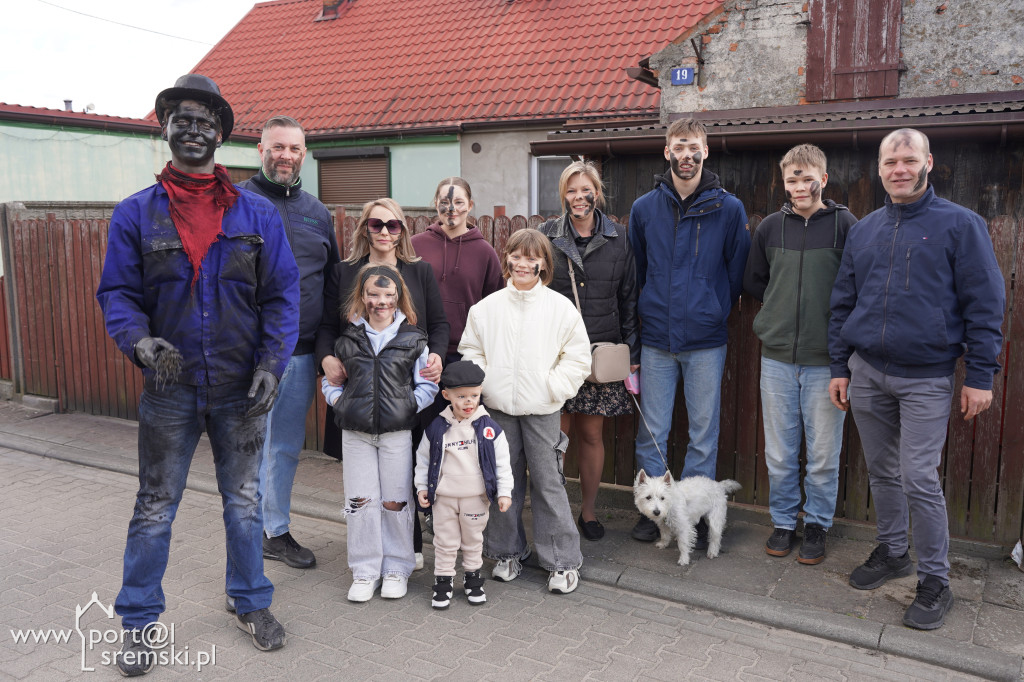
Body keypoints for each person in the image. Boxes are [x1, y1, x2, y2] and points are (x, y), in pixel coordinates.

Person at [96, 74, 299, 675]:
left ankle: (250, 600)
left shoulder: (256, 213)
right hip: (170, 390)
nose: (193, 129)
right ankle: (137, 622)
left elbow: (283, 298)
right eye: (181, 119)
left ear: (220, 134)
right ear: (166, 128)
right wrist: (138, 341)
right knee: (155, 504)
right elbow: (118, 292)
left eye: (204, 121)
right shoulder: (136, 213)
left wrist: (271, 363)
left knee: (243, 500)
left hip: (241, 388)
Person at [828, 128, 1005, 630]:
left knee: (919, 479)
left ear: (928, 161)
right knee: (882, 472)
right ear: (879, 168)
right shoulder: (864, 230)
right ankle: (892, 552)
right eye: (890, 161)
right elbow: (843, 303)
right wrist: (841, 367)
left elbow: (986, 305)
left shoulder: (960, 225)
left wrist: (981, 376)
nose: (899, 169)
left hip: (927, 378)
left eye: (908, 159)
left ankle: (935, 581)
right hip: (867, 372)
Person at [627, 118, 751, 545]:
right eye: (679, 146)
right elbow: (637, 273)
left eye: (694, 146)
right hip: (658, 339)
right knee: (652, 433)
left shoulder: (728, 209)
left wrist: (711, 307)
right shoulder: (645, 209)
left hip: (705, 341)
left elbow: (735, 276)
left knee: (703, 432)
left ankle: (693, 516)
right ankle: (652, 513)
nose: (686, 154)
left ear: (705, 151)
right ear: (667, 152)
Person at [314, 198, 449, 568]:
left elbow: (438, 323)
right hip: (359, 392)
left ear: (403, 230)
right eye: (376, 225)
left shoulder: (418, 272)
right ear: (365, 229)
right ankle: (369, 559)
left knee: (404, 475)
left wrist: (436, 353)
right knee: (364, 486)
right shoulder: (345, 273)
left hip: (407, 393)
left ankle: (408, 550)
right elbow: (326, 326)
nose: (385, 232)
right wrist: (326, 360)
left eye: (393, 225)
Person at [459, 228, 591, 594]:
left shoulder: (560, 308)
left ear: (544, 264)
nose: (523, 263)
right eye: (516, 255)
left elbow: (578, 357)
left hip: (543, 410)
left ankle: (562, 561)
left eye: (532, 257)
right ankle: (506, 552)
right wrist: (490, 385)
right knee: (505, 481)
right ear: (508, 260)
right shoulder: (486, 309)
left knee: (549, 483)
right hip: (499, 409)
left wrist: (553, 388)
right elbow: (471, 351)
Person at [743, 144, 856, 565]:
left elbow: (857, 286)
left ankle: (817, 526)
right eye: (792, 179)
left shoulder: (845, 225)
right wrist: (777, 312)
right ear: (784, 182)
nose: (799, 186)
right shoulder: (771, 227)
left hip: (827, 362)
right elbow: (756, 281)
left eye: (807, 178)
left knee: (824, 454)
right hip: (776, 359)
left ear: (823, 180)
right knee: (780, 452)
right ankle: (784, 522)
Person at [239, 115, 339, 570]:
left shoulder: (318, 213)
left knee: (282, 447)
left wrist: (324, 349)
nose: (286, 156)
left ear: (304, 154)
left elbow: (332, 285)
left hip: (298, 354)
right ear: (262, 149)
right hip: (246, 354)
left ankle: (273, 531)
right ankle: (243, 535)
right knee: (244, 447)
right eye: (277, 147)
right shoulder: (236, 201)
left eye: (294, 149)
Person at [321, 264, 438, 602]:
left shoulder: (413, 339)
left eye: (388, 295)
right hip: (355, 434)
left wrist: (407, 405)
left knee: (395, 502)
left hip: (396, 435)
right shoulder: (348, 339)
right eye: (373, 294)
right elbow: (330, 382)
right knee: (360, 501)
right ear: (362, 296)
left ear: (398, 297)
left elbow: (427, 385)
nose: (381, 301)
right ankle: (365, 569)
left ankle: (396, 568)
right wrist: (341, 403)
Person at [539, 161, 639, 541]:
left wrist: (632, 350)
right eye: (571, 190)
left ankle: (590, 511)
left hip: (601, 351)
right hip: (557, 353)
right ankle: (557, 511)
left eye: (586, 190)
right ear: (562, 194)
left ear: (597, 192)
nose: (578, 197)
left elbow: (630, 296)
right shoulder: (547, 235)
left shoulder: (620, 237)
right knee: (556, 437)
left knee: (593, 436)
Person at [414, 361, 513, 609]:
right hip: (444, 499)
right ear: (446, 395)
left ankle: (472, 579)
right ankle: (443, 581)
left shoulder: (489, 429)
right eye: (461, 397)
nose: (469, 402)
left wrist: (504, 492)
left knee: (472, 540)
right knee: (444, 541)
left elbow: (502, 463)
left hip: (475, 498)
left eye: (474, 396)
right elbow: (423, 460)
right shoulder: (437, 428)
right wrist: (422, 488)